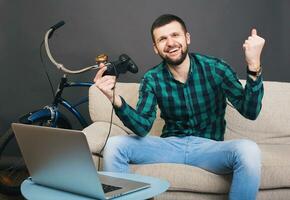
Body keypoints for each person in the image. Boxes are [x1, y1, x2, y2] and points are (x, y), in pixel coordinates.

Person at [93, 14, 265, 200]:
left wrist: (253, 64)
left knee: (249, 150)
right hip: (170, 146)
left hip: (209, 148)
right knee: (115, 145)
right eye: (162, 39)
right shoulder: (152, 79)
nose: (170, 43)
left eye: (175, 35)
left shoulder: (216, 68)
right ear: (155, 48)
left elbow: (251, 111)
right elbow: (142, 127)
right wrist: (114, 98)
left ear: (187, 38)